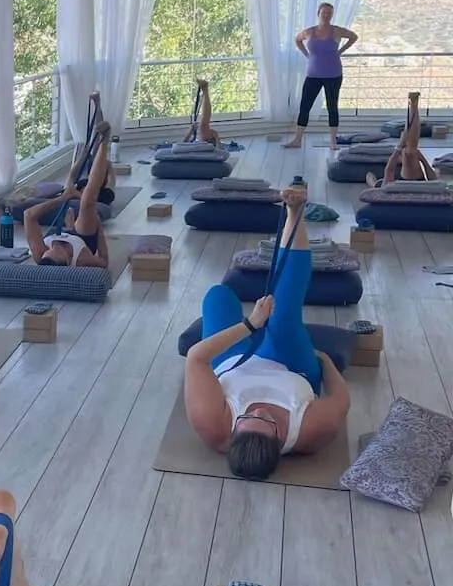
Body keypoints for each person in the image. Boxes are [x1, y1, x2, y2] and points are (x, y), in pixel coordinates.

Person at [184, 187, 351, 480]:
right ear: (281, 441)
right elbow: (341, 400)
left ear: (232, 432)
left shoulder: (211, 425)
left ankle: (254, 326)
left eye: (249, 417)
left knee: (218, 296)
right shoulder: (312, 431)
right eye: (269, 421)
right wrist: (325, 363)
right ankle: (295, 214)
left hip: (232, 361)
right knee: (284, 312)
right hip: (291, 367)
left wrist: (251, 324)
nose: (260, 411)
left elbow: (196, 358)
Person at [22, 120, 112, 269]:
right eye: (58, 250)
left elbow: (28, 215)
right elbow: (104, 262)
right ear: (67, 259)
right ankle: (104, 141)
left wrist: (62, 198)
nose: (55, 246)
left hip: (64, 229)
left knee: (69, 183)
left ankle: (69, 225)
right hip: (82, 239)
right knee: (87, 204)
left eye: (51, 249)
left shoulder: (40, 253)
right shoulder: (82, 259)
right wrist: (99, 228)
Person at [283, 2, 358, 150]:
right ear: (319, 13)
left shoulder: (337, 31)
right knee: (305, 106)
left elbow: (354, 36)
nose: (326, 15)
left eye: (329, 13)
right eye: (324, 12)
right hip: (313, 75)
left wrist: (341, 50)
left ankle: (333, 142)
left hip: (333, 74)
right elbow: (297, 39)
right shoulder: (310, 32)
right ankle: (297, 139)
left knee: (332, 107)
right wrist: (306, 54)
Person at [366, 90, 438, 186]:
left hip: (403, 184)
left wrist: (400, 146)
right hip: (414, 184)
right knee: (409, 152)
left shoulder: (387, 191)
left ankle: (413, 104)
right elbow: (434, 182)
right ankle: (413, 104)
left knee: (408, 152)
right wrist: (420, 157)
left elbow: (388, 171)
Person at [186, 77, 221, 147]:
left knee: (203, 127)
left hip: (205, 144)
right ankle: (205, 90)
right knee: (203, 127)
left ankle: (205, 90)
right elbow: (181, 145)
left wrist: (191, 131)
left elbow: (181, 144)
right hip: (206, 144)